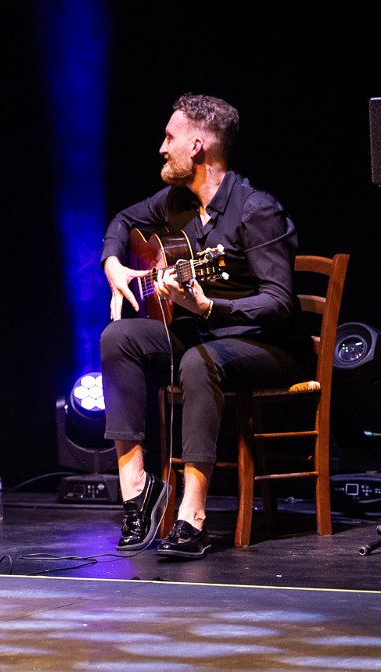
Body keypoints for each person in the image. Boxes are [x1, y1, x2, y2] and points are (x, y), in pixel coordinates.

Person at [100, 93, 299, 560]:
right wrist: (113, 264)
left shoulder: (256, 209)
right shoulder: (177, 202)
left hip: (264, 345)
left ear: (196, 146)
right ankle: (138, 493)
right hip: (204, 336)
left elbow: (279, 302)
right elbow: (123, 220)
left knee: (196, 360)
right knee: (118, 337)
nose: (161, 148)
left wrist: (210, 308)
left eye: (170, 138)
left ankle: (192, 519)